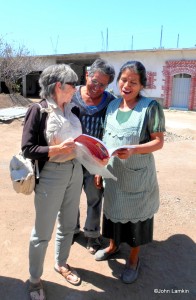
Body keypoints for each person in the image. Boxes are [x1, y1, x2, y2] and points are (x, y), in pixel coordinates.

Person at [95, 61, 165, 284]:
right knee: (113, 214)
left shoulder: (150, 107)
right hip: (114, 174)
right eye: (123, 80)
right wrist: (99, 169)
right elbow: (105, 140)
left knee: (136, 220)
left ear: (142, 84)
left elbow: (158, 142)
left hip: (137, 175)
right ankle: (113, 246)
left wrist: (134, 149)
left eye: (133, 82)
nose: (127, 85)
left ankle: (134, 259)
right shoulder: (113, 106)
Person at [22, 64, 83, 300]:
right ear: (59, 86)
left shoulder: (74, 110)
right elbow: (28, 149)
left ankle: (62, 263)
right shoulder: (39, 110)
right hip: (51, 174)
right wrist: (57, 148)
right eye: (72, 85)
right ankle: (35, 280)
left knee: (68, 224)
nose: (75, 89)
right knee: (42, 232)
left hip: (75, 171)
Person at [71, 58, 115, 254]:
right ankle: (71, 230)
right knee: (69, 197)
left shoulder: (111, 102)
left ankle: (92, 235)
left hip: (95, 160)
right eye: (94, 81)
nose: (97, 87)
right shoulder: (71, 94)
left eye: (102, 84)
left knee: (94, 197)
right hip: (70, 157)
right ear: (87, 75)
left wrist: (103, 164)